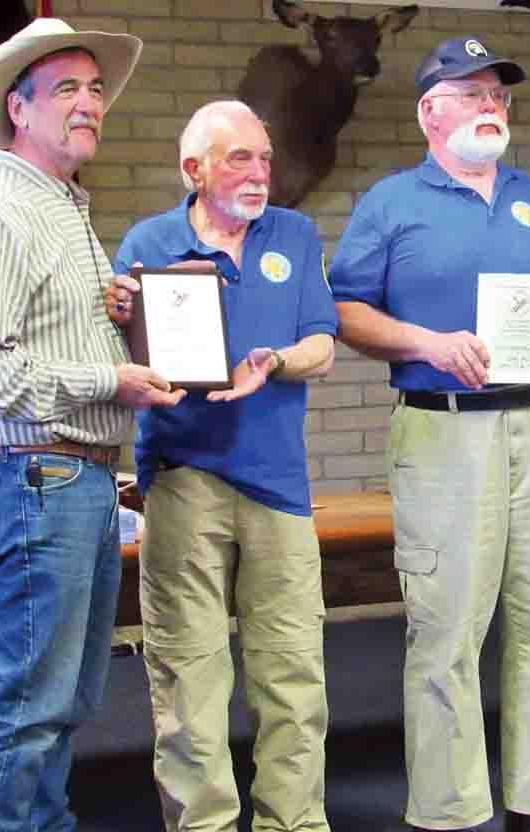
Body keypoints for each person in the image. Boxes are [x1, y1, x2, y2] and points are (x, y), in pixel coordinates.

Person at [327, 35, 530, 832]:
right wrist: (426, 343)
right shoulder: (390, 202)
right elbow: (344, 312)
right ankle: (449, 811)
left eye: (499, 94)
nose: (491, 105)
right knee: (446, 629)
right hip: (446, 433)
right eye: (472, 92)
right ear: (429, 112)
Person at [0, 18, 187, 832]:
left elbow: (37, 343)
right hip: (34, 478)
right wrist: (109, 374)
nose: (89, 105)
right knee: (25, 708)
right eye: (67, 89)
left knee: (64, 702)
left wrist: (114, 321)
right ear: (20, 108)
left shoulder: (64, 212)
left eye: (96, 89)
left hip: (72, 480)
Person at [107, 100, 337, 832]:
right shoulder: (149, 242)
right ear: (193, 168)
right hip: (182, 476)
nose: (259, 173)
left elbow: (324, 345)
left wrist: (276, 360)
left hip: (279, 484)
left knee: (294, 675)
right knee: (189, 678)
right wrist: (115, 316)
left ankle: (294, 824)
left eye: (264, 158)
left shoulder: (295, 236)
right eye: (240, 158)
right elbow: (119, 361)